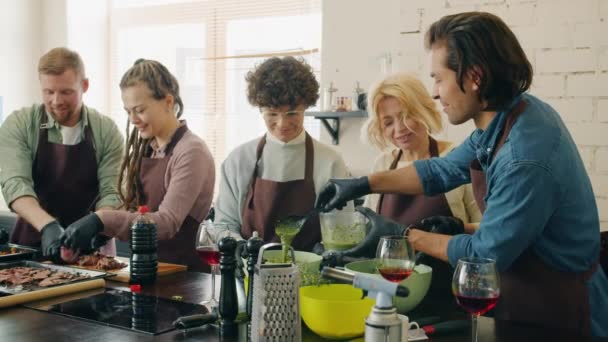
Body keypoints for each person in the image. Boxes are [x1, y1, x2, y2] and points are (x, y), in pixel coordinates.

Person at [315, 12, 608, 337]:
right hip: (523, 300)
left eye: (439, 79)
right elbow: (443, 170)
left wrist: (406, 236)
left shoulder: (523, 157)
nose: (436, 93)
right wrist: (363, 184)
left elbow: (483, 255)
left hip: (556, 314)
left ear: (474, 78)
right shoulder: (508, 118)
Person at [61, 59, 215, 271]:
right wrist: (101, 232)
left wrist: (102, 220)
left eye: (140, 110)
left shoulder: (191, 151)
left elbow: (167, 222)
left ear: (168, 102)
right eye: (128, 111)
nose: (133, 119)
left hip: (185, 276)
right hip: (147, 270)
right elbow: (135, 208)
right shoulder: (148, 148)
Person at [361, 72, 481, 298]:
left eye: (407, 115)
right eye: (388, 122)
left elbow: (485, 228)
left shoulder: (455, 160)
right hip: (392, 292)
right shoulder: (383, 163)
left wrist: (457, 228)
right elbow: (368, 229)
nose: (399, 129)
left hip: (451, 292)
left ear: (424, 110)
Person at [213, 56, 350, 251]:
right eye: (272, 114)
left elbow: (342, 231)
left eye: (292, 113)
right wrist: (241, 247)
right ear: (260, 110)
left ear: (306, 107)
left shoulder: (330, 161)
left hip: (311, 275)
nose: (282, 124)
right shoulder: (238, 160)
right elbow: (224, 224)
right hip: (250, 273)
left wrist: (324, 252)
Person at [0, 47, 123, 261]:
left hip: (90, 249)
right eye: (48, 92)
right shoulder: (20, 124)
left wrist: (98, 224)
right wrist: (48, 225)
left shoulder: (106, 130)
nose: (56, 101)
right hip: (32, 242)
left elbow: (112, 192)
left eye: (66, 92)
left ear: (84, 86)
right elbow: (15, 183)